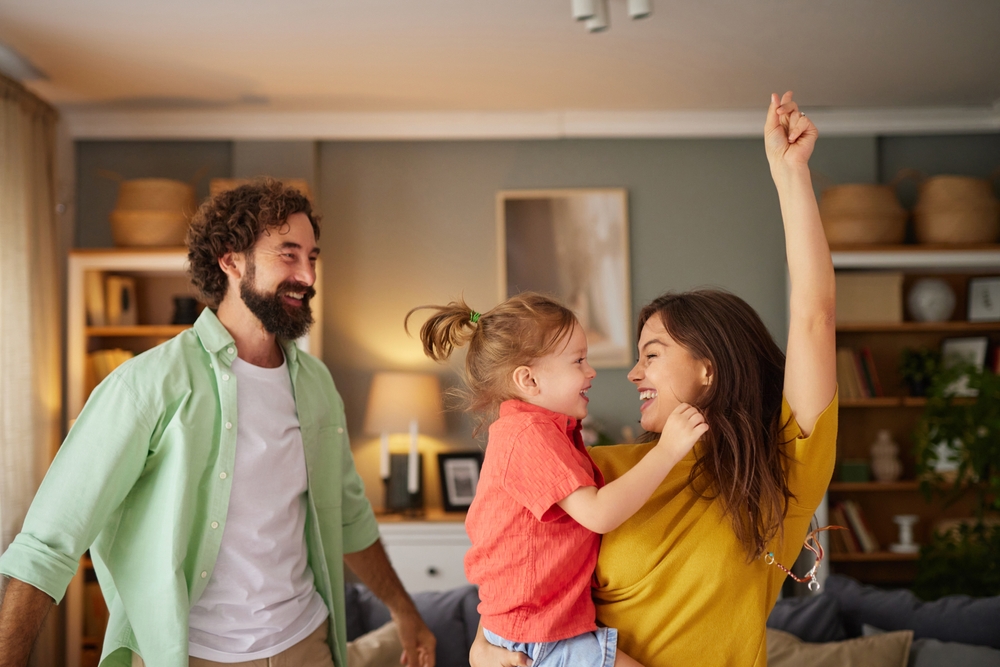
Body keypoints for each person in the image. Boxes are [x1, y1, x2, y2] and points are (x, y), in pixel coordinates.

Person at [0, 180, 436, 667]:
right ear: (230, 260)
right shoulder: (146, 385)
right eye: (288, 255)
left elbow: (348, 516)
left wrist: (404, 609)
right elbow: (47, 543)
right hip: (191, 654)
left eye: (312, 256)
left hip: (307, 644)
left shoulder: (315, 384)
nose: (308, 275)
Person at [471, 91, 837, 666]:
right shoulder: (599, 469)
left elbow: (815, 315)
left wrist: (789, 174)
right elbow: (517, 582)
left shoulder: (781, 466)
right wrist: (483, 649)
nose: (632, 372)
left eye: (654, 354)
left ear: (708, 367)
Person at [408, 293, 709, 667]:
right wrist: (668, 450)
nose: (591, 371)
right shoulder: (528, 435)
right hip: (538, 638)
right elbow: (598, 513)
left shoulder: (546, 432)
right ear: (529, 379)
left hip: (541, 629)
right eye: (578, 361)